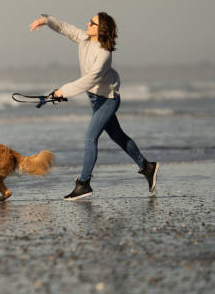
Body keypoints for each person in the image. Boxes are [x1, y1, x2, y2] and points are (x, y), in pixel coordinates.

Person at [29, 12, 159, 200]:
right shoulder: (84, 39)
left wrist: (62, 91)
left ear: (102, 29)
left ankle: (84, 183)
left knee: (90, 137)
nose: (87, 24)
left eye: (92, 23)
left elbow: (90, 79)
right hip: (95, 98)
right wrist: (46, 20)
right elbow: (64, 27)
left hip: (108, 99)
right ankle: (147, 167)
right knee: (117, 135)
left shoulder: (104, 54)